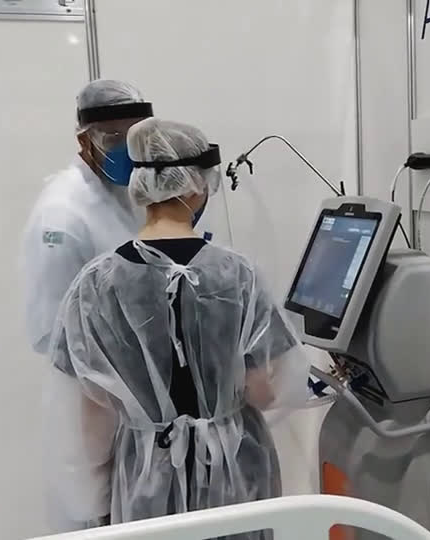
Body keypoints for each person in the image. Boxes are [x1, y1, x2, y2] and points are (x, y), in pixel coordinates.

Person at [43, 118, 310, 535]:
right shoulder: (237, 275)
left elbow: (93, 412)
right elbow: (263, 389)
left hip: (145, 478)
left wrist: (96, 498)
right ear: (193, 187)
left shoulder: (97, 284)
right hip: (234, 475)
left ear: (141, 187)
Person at [22, 79, 152, 355]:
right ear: (84, 140)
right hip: (95, 374)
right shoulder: (63, 213)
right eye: (115, 138)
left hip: (134, 364)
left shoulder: (125, 191)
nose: (129, 149)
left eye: (136, 138)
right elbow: (52, 329)